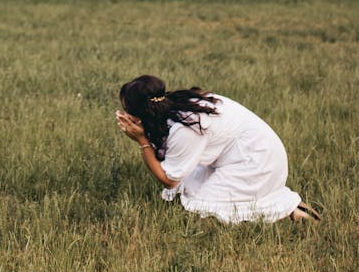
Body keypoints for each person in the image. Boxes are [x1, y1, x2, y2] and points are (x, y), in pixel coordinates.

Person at [115, 74, 320, 223]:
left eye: (128, 111)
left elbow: (168, 180)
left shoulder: (185, 128)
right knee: (189, 186)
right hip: (250, 152)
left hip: (256, 161)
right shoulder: (178, 102)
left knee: (203, 208)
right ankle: (286, 205)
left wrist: (141, 139)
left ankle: (284, 211)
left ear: (144, 113)